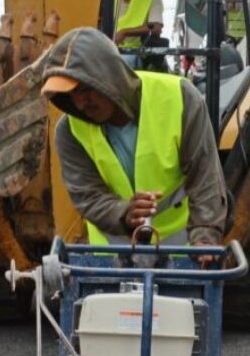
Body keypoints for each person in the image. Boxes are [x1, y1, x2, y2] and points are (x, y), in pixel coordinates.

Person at [39, 27, 228, 262]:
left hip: (181, 250)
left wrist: (205, 238)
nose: (79, 103)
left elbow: (206, 178)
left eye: (85, 89)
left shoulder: (180, 98)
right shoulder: (69, 132)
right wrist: (123, 213)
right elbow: (87, 196)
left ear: (109, 77)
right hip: (114, 254)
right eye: (70, 96)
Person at [114, 0, 165, 70]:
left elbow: (156, 28)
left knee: (121, 63)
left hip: (132, 52)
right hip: (103, 47)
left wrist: (125, 32)